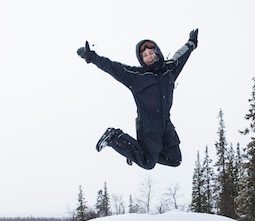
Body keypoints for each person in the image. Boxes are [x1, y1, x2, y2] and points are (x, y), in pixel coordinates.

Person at [76, 29, 198, 169]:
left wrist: (191, 43)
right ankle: (114, 136)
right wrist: (92, 57)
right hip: (149, 125)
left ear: (157, 52)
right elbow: (113, 67)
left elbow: (181, 56)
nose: (149, 57)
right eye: (145, 55)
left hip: (166, 124)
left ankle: (135, 150)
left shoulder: (169, 70)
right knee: (147, 162)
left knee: (175, 159)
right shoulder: (137, 76)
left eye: (151, 53)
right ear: (141, 59)